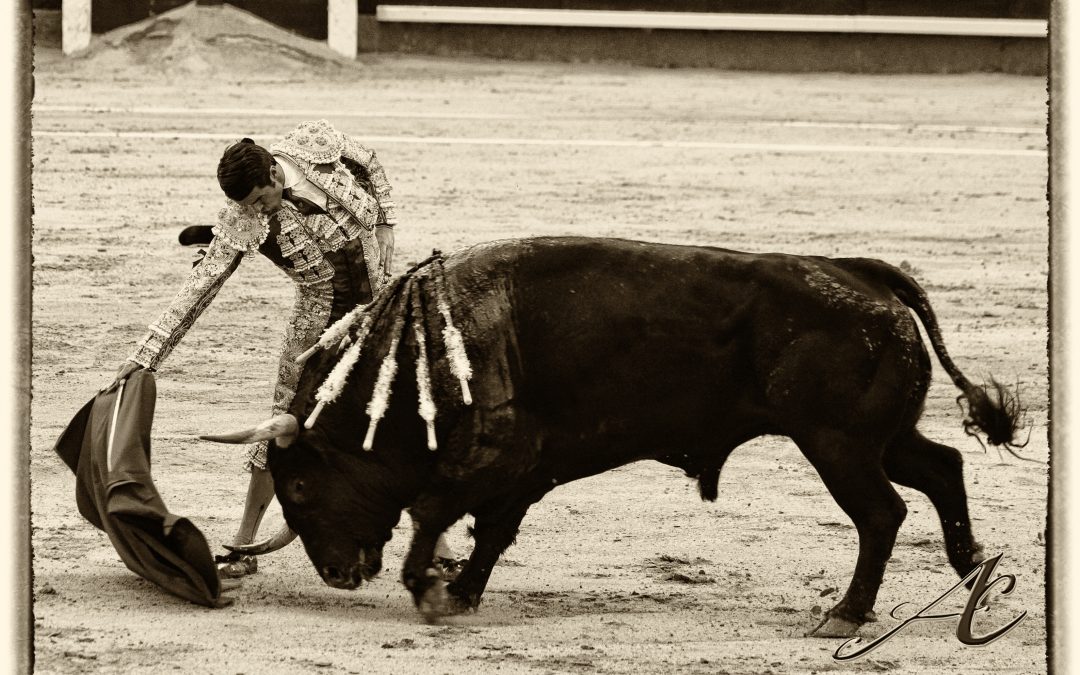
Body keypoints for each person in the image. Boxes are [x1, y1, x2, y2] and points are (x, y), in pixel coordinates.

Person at [108, 119, 454, 578]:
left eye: (258, 199)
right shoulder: (242, 219)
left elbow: (369, 161)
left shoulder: (314, 145)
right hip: (316, 331)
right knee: (280, 427)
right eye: (245, 206)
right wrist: (145, 357)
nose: (255, 211)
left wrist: (387, 221)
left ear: (274, 174)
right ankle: (244, 544)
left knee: (403, 418)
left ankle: (439, 545)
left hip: (382, 311)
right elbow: (202, 287)